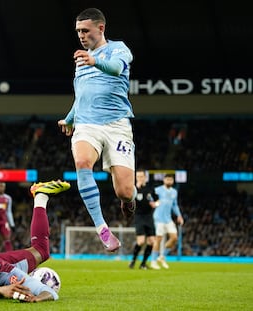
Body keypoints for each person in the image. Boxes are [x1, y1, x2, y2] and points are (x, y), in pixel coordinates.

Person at [58, 8, 137, 252]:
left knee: (123, 191)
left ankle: (129, 201)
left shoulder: (118, 49)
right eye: (78, 31)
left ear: (100, 28)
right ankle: (102, 227)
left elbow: (115, 68)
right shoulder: (81, 61)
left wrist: (95, 60)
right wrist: (70, 118)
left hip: (117, 125)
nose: (81, 35)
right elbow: (82, 94)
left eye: (85, 30)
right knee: (82, 162)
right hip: (87, 124)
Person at [150, 174, 184, 270]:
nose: (169, 181)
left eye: (170, 179)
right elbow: (150, 197)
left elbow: (175, 205)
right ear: (164, 180)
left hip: (168, 219)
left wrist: (179, 215)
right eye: (167, 179)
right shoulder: (158, 190)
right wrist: (152, 203)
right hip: (158, 217)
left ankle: (161, 256)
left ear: (173, 181)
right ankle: (153, 261)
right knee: (159, 239)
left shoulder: (174, 192)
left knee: (174, 238)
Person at [129, 169, 157, 270]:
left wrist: (155, 204)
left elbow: (157, 200)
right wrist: (136, 188)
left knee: (152, 241)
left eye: (141, 176)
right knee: (140, 242)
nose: (139, 178)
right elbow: (129, 201)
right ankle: (133, 260)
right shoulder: (133, 189)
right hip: (139, 217)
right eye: (137, 177)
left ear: (145, 177)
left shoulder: (150, 188)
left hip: (149, 217)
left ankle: (143, 264)